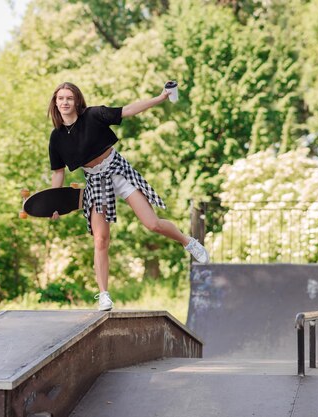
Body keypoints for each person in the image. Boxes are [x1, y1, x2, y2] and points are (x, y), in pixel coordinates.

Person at [47, 81, 210, 311]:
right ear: (55, 102)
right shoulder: (57, 138)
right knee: (100, 239)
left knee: (152, 224)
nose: (64, 102)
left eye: (69, 98)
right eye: (60, 98)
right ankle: (104, 295)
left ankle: (189, 242)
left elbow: (128, 110)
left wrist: (161, 97)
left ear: (76, 101)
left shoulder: (93, 115)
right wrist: (53, 204)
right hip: (95, 181)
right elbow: (58, 174)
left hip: (117, 171)